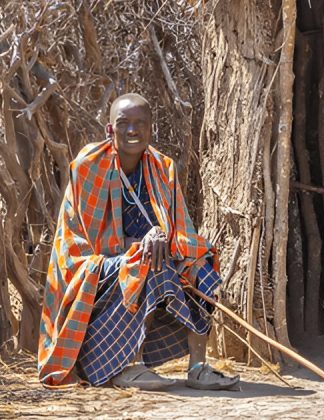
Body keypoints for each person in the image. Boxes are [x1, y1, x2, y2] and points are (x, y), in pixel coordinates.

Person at [39, 93, 239, 390]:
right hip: (89, 266)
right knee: (149, 264)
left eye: (140, 124)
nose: (132, 131)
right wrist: (142, 243)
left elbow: (178, 228)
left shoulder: (162, 167)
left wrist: (169, 242)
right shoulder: (88, 165)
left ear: (150, 128)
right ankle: (130, 365)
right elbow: (90, 243)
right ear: (110, 129)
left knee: (200, 260)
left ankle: (198, 367)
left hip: (146, 258)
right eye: (124, 123)